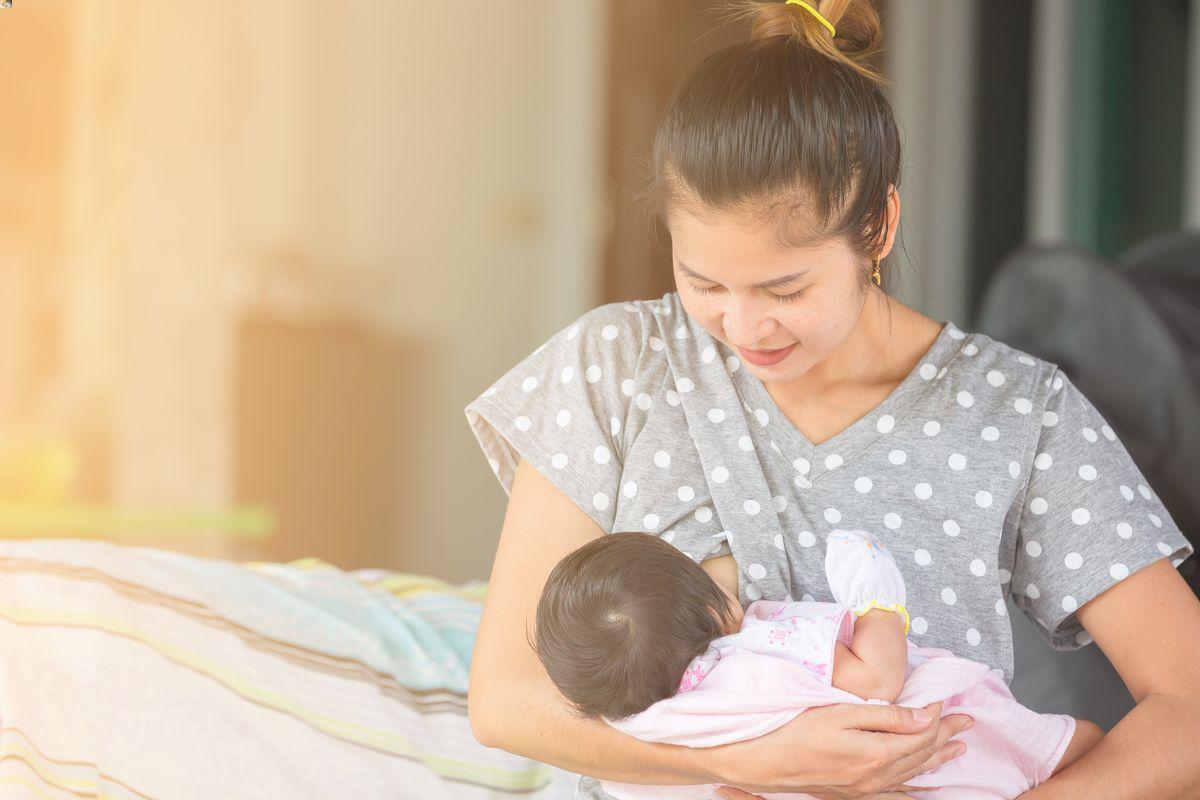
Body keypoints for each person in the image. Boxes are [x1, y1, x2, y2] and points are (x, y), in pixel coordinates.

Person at [464, 0, 1200, 797]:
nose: (742, 326)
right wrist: (729, 760)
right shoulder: (615, 368)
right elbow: (505, 700)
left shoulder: (1016, 412)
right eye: (703, 282)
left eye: (785, 287)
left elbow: (1189, 707)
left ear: (878, 227)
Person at [532, 529, 1103, 799]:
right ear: (716, 608)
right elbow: (878, 680)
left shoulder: (635, 737)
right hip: (935, 755)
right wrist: (877, 595)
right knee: (1085, 745)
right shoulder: (756, 654)